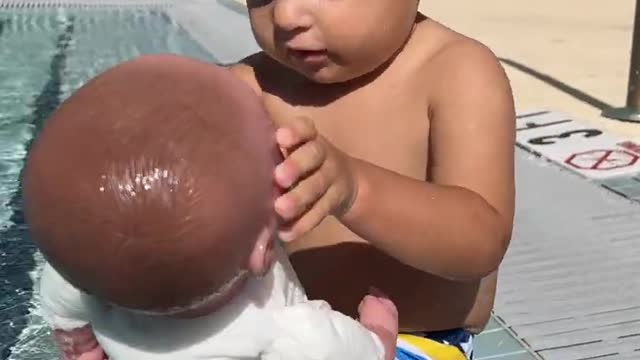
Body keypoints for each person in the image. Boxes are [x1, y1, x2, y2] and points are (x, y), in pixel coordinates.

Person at [23, 54, 399, 360]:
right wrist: (379, 330)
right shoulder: (290, 332)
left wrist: (86, 350)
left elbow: (67, 322)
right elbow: (361, 354)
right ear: (262, 250)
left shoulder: (78, 280)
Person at [229, 1, 516, 359]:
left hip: (418, 341)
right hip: (292, 337)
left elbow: (481, 241)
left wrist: (356, 191)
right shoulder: (248, 87)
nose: (285, 16)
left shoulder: (455, 71)